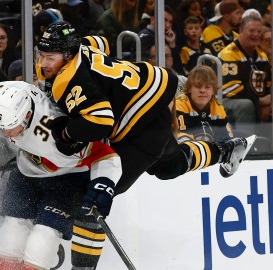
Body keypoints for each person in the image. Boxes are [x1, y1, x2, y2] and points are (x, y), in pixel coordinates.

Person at [36, 22, 256, 268]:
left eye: (50, 57)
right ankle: (226, 150)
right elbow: (102, 43)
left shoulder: (71, 81)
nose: (44, 63)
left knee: (91, 197)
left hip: (142, 128)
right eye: (42, 55)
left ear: (68, 55)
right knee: (168, 167)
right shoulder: (83, 45)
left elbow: (100, 122)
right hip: (154, 93)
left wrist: (66, 134)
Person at [0, 80, 121, 270]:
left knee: (43, 239)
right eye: (0, 127)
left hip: (68, 177)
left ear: (28, 116)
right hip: (27, 171)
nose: (5, 133)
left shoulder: (56, 130)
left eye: (11, 127)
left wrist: (103, 185)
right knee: (11, 235)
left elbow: (105, 155)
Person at [218, 15, 272, 125]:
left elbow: (268, 84)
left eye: (258, 31)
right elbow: (231, 89)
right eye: (252, 30)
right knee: (246, 105)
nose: (256, 34)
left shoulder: (262, 56)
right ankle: (246, 141)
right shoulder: (228, 54)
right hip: (225, 101)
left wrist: (269, 101)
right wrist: (259, 101)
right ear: (241, 30)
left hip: (254, 100)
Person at [175, 65, 234, 143]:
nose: (202, 90)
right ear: (189, 88)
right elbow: (182, 139)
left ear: (213, 90)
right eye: (198, 86)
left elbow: (226, 139)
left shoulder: (217, 107)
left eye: (207, 87)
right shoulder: (179, 105)